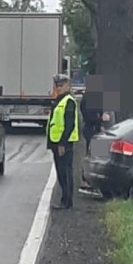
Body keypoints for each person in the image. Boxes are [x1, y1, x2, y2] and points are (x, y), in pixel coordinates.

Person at [46, 74, 79, 209]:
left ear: (67, 86)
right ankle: (64, 199)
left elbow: (69, 124)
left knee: (65, 172)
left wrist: (62, 144)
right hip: (56, 142)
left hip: (63, 143)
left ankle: (67, 201)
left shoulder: (68, 101)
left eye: (61, 85)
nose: (58, 88)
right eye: (56, 85)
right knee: (61, 172)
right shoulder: (59, 100)